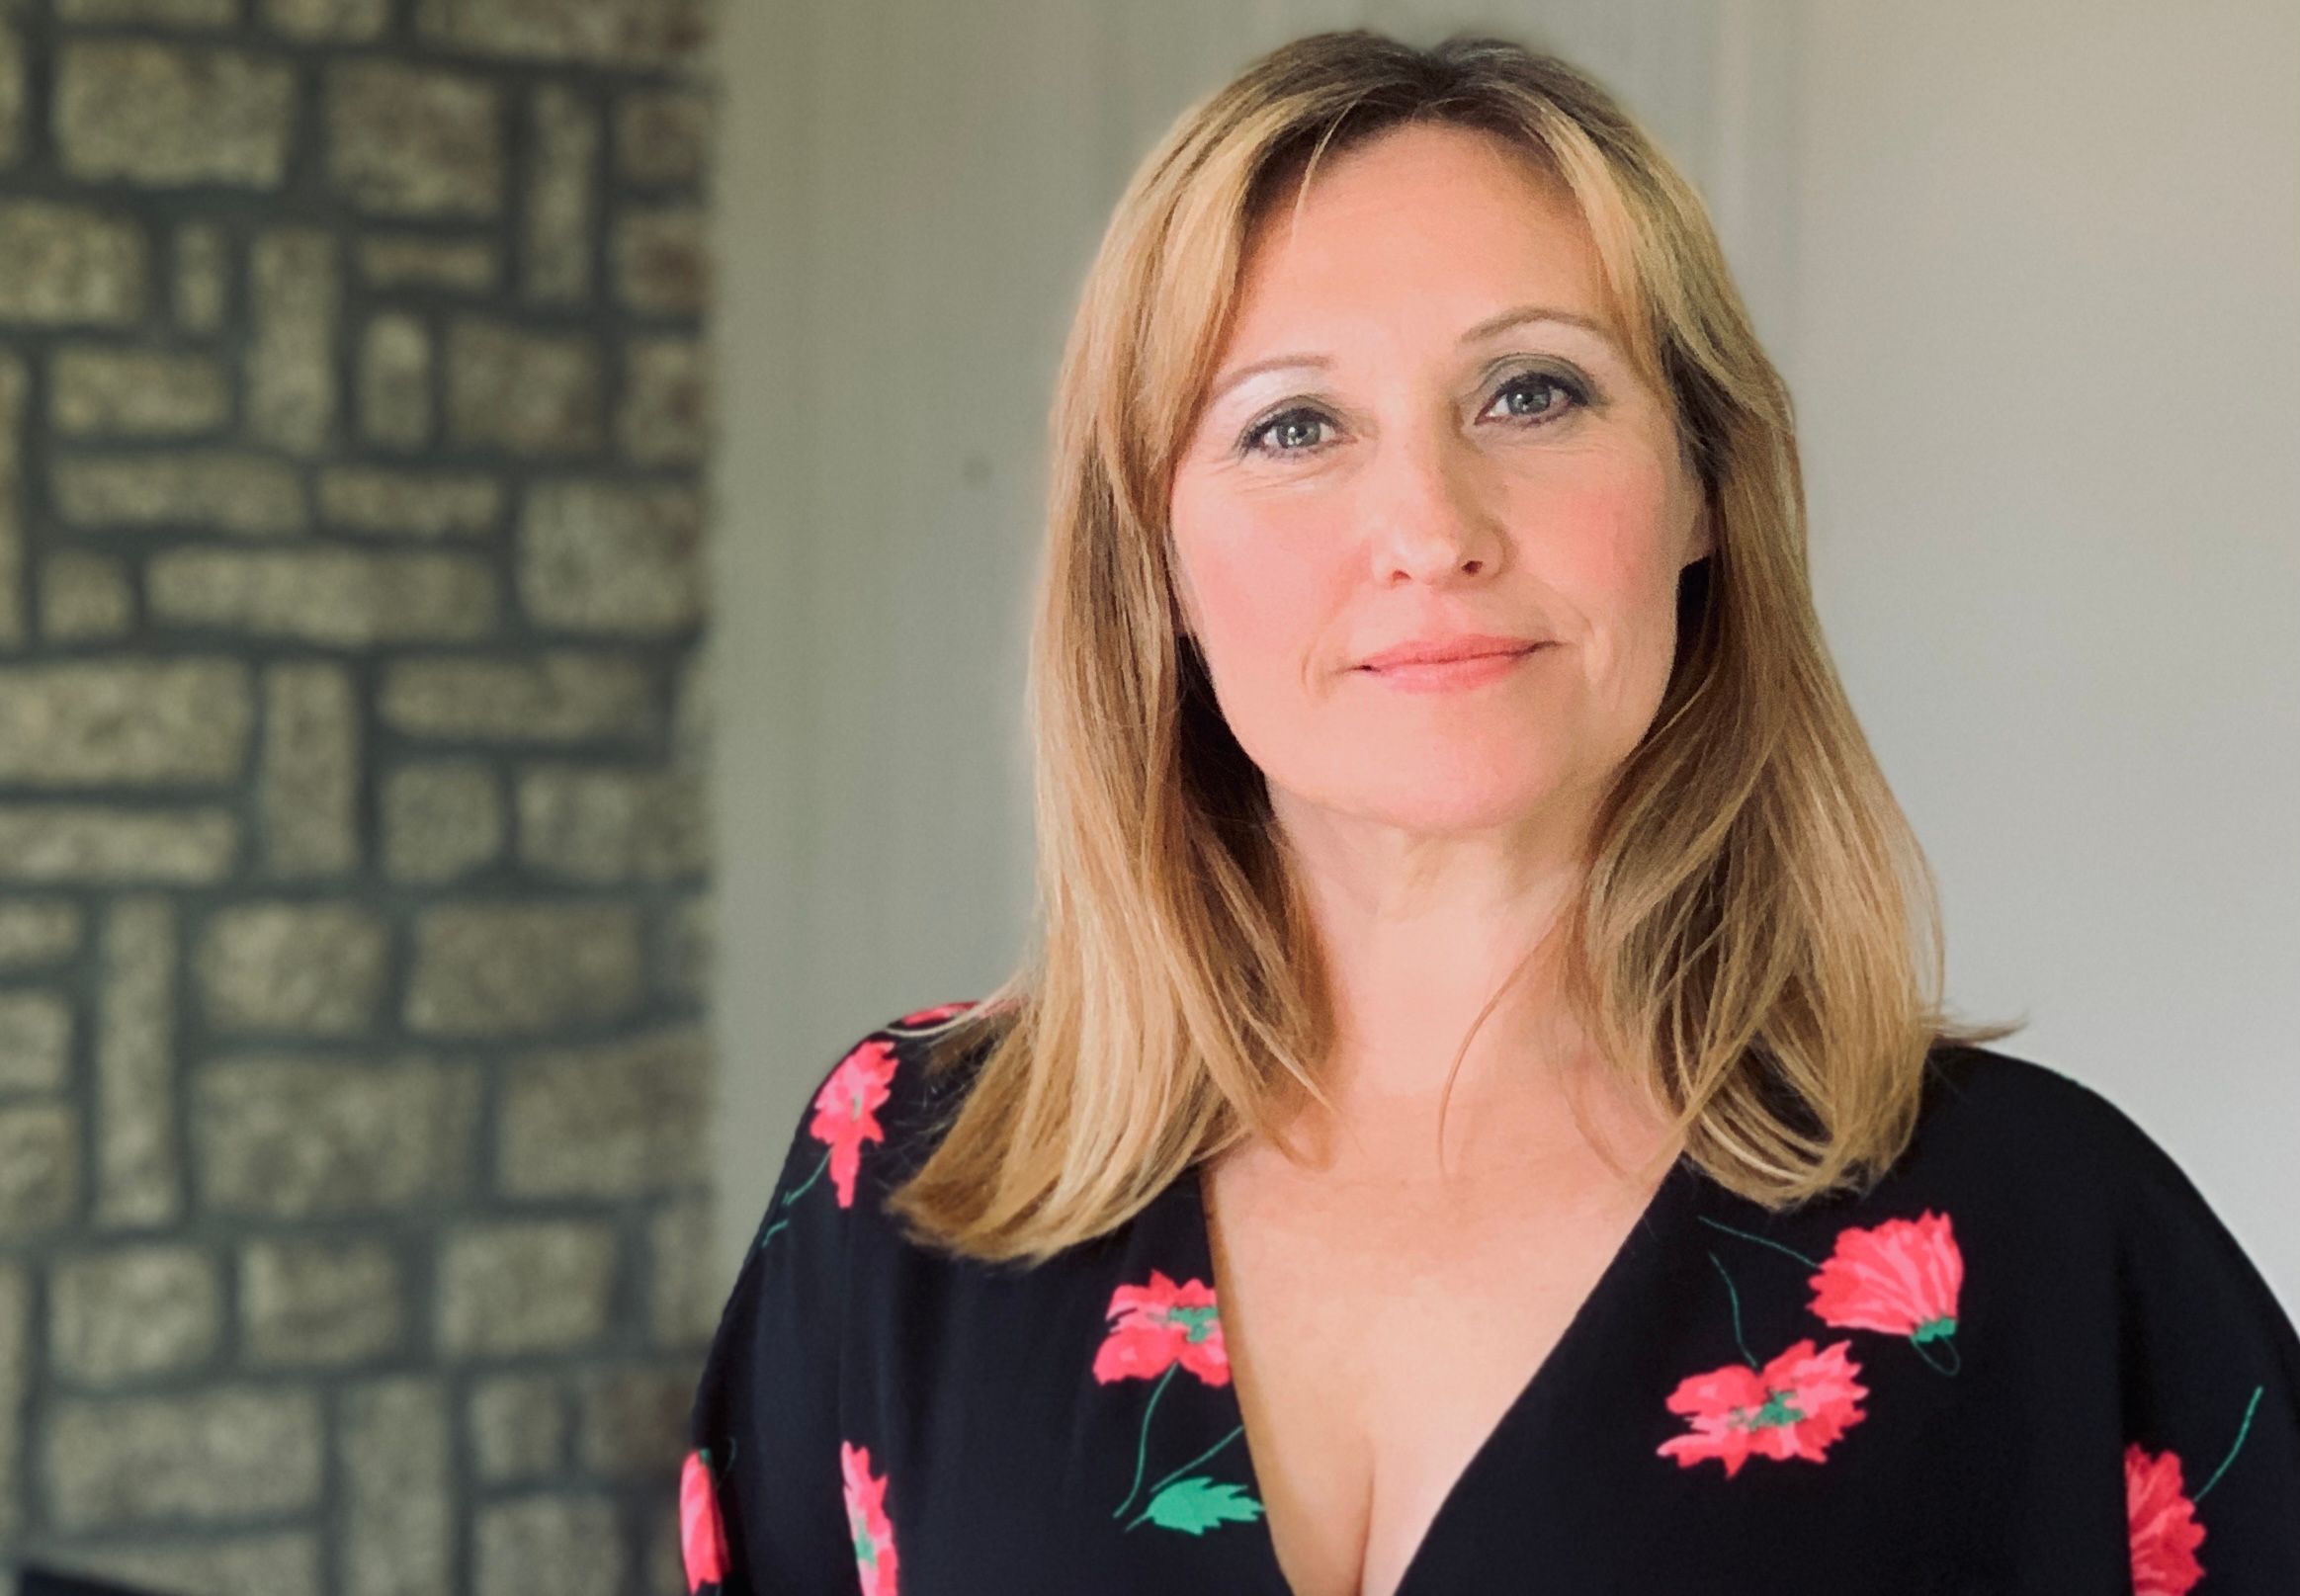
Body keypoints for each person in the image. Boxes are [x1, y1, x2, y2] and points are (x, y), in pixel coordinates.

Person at [679, 27, 2300, 1596]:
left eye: (1532, 393)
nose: (1431, 527)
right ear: (1154, 564)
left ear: (1705, 486)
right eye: (1294, 425)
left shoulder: (2043, 1234)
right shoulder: (902, 1173)